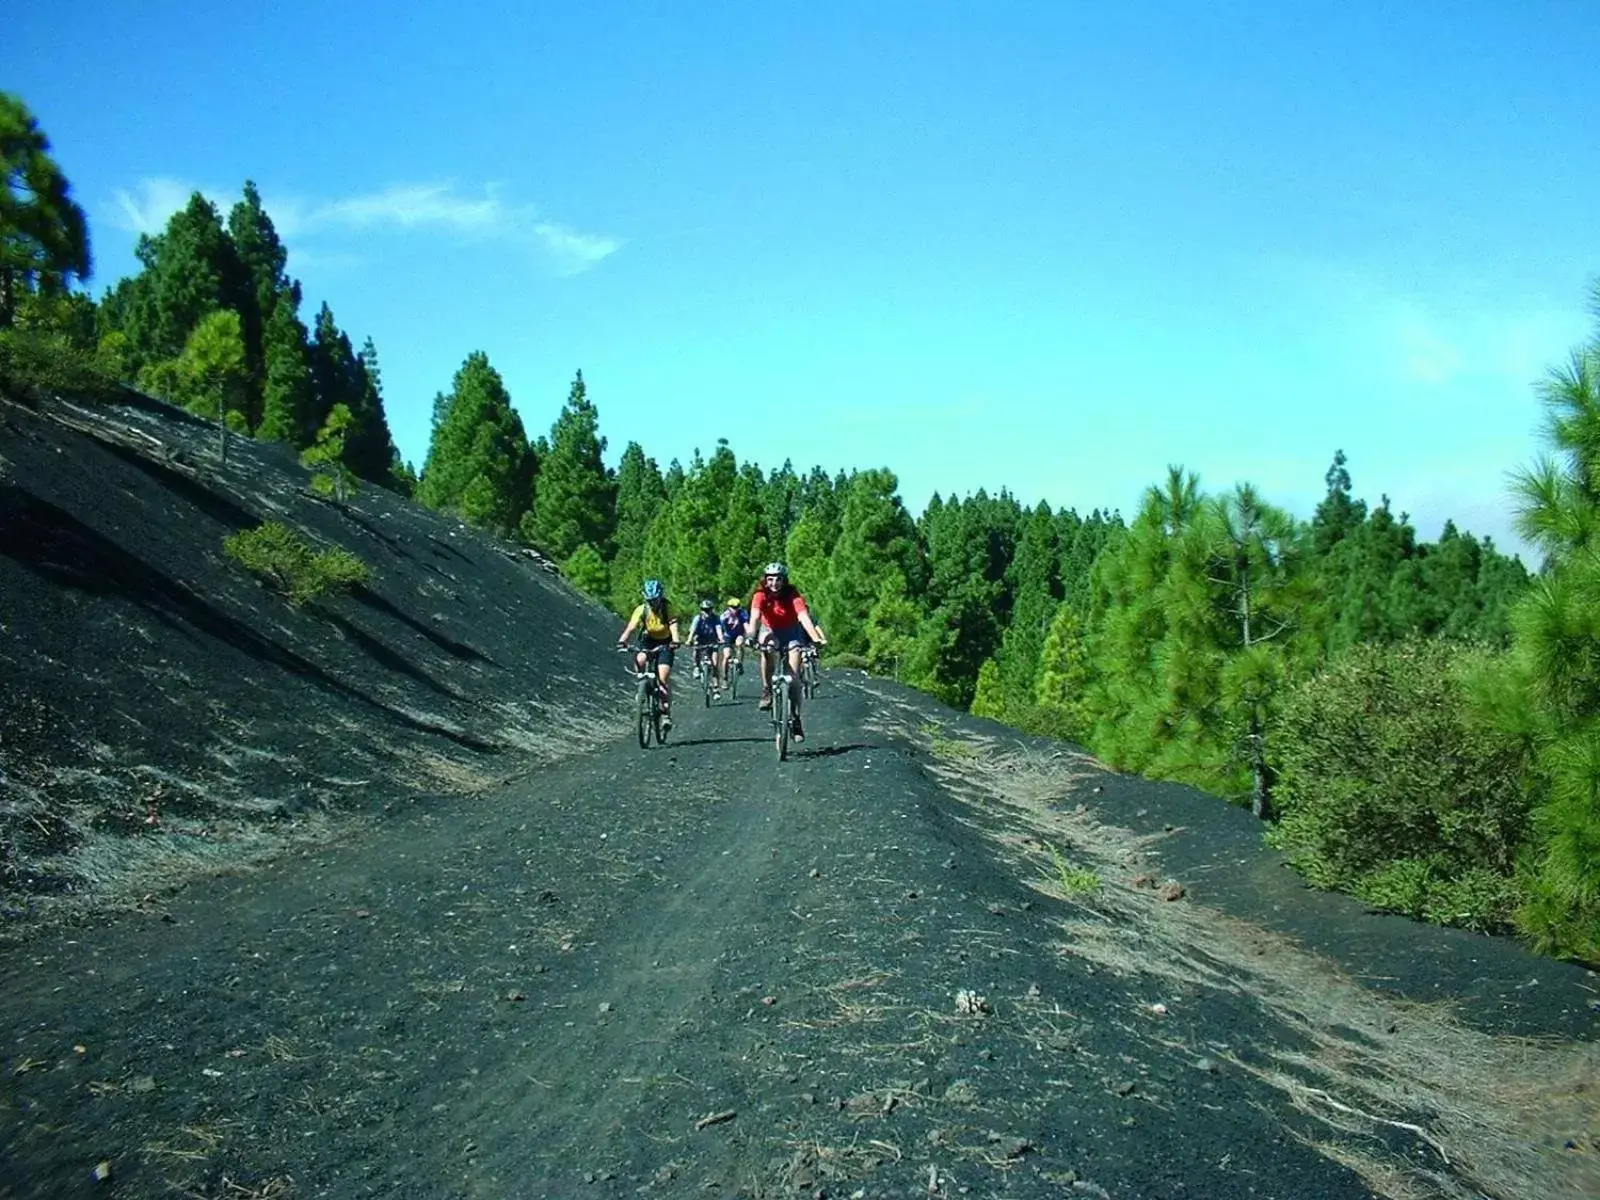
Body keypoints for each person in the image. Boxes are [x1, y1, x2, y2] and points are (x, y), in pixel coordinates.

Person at [745, 561, 827, 741]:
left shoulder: (792, 594)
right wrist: (751, 636)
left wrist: (814, 638)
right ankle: (767, 689)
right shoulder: (760, 595)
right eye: (771, 579)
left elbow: (803, 617)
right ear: (765, 580)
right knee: (766, 649)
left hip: (791, 632)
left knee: (794, 679)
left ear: (784, 580)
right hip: (770, 630)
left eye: (778, 579)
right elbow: (755, 617)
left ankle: (796, 719)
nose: (774, 583)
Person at [616, 579, 681, 732]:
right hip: (648, 640)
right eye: (649, 600)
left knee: (663, 677)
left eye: (655, 600)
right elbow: (631, 627)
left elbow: (673, 624)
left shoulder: (668, 607)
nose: (652, 603)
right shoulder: (641, 609)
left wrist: (676, 640)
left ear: (660, 597)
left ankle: (665, 714)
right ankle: (642, 685)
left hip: (666, 642)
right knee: (640, 659)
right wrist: (622, 640)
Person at [686, 598, 726, 689]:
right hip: (700, 640)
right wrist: (689, 640)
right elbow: (692, 631)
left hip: (712, 641)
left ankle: (716, 687)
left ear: (712, 610)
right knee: (696, 646)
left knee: (714, 664)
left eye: (708, 610)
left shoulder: (716, 618)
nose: (707, 612)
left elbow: (718, 629)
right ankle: (696, 666)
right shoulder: (698, 618)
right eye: (704, 610)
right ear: (701, 610)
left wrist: (721, 639)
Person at [717, 596, 746, 688]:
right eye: (733, 607)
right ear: (728, 607)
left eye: (737, 607)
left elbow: (746, 625)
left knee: (740, 644)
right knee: (727, 655)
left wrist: (749, 635)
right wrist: (720, 638)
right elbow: (719, 629)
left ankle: (740, 663)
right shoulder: (724, 616)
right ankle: (725, 679)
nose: (735, 609)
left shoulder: (743, 614)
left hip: (739, 634)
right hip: (728, 636)